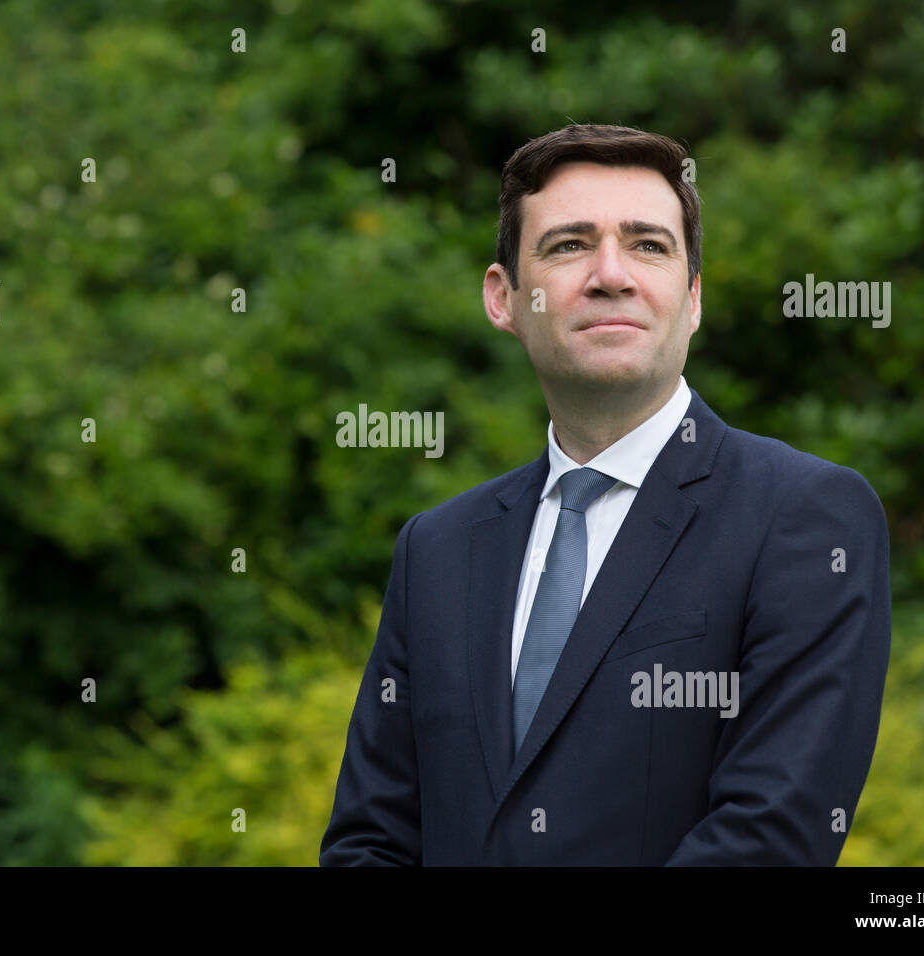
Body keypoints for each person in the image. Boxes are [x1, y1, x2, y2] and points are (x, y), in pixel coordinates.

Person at [319, 124, 891, 865]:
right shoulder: (435, 549)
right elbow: (371, 841)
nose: (611, 274)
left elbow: (772, 837)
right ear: (504, 298)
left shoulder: (807, 518)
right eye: (568, 245)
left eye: (649, 245)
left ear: (692, 300)